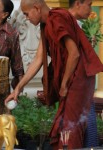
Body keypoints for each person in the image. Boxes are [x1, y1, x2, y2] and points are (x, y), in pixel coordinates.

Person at [4, 0, 103, 149]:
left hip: (77, 80)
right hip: (72, 79)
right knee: (66, 125)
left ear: (36, 8)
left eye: (26, 13)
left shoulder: (57, 18)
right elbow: (38, 60)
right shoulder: (47, 24)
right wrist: (18, 88)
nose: (26, 18)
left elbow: (74, 54)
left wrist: (63, 84)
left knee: (71, 127)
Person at [68, 0, 99, 148]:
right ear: (78, 3)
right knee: (72, 129)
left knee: (89, 125)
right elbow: (72, 55)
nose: (90, 8)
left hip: (83, 84)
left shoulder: (80, 26)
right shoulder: (63, 24)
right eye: (89, 4)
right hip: (71, 84)